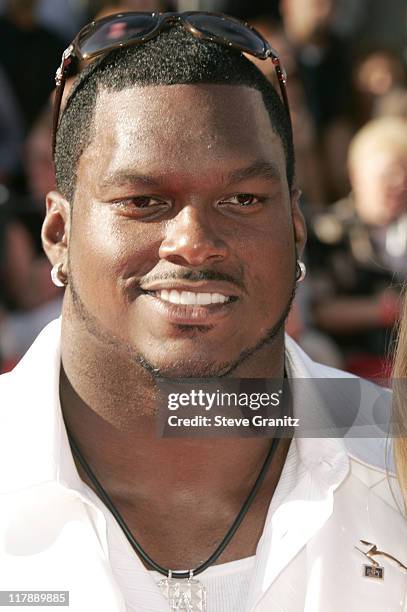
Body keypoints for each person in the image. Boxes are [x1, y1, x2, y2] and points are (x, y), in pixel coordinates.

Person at [0, 11, 406, 612]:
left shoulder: (390, 440)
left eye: (242, 199)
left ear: (295, 228)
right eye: (142, 201)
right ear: (59, 232)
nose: (193, 240)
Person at [307, 116, 407, 379]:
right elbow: (320, 311)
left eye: (404, 171)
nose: (398, 182)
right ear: (356, 173)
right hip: (353, 358)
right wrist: (382, 310)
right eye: (388, 173)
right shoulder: (328, 232)